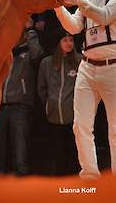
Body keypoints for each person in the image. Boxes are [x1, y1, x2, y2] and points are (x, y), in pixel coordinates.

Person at [55, 0, 116, 179]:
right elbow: (75, 27)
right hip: (87, 66)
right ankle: (89, 176)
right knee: (80, 125)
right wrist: (56, 6)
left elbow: (105, 16)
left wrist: (77, 0)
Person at [0, 17, 43, 176]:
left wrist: (30, 31)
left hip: (20, 107)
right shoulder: (4, 53)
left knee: (20, 150)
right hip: (0, 107)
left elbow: (38, 55)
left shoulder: (29, 52)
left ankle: (22, 187)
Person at [38, 28, 81, 176]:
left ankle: (74, 186)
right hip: (53, 117)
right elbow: (41, 89)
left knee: (74, 153)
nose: (69, 43)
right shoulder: (46, 63)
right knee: (57, 153)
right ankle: (59, 188)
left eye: (71, 40)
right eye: (65, 40)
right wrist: (50, 105)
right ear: (58, 43)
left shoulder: (80, 61)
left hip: (74, 118)